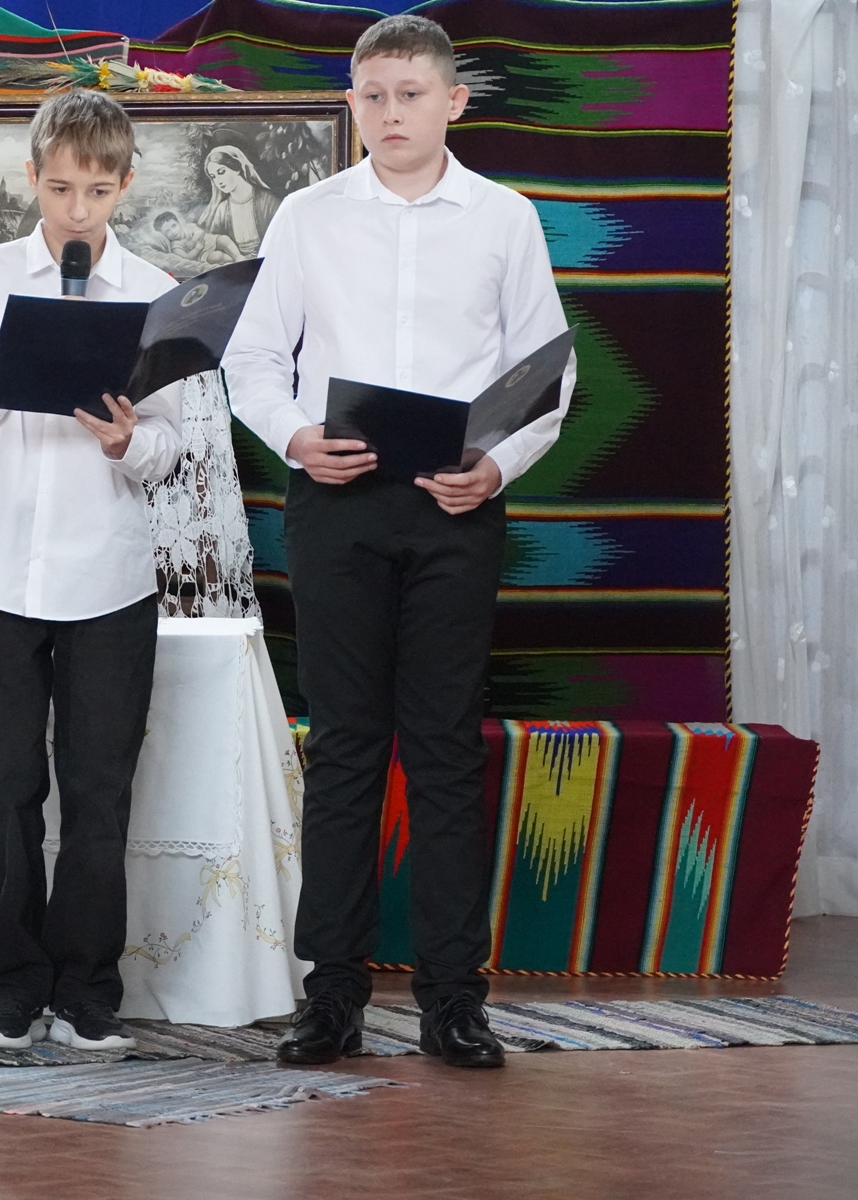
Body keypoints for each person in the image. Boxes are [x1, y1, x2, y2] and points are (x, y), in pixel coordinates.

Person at [221, 15, 575, 1069]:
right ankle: (329, 998)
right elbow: (251, 357)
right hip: (337, 505)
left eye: (411, 93)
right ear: (352, 103)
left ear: (453, 101)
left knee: (444, 750)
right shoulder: (308, 215)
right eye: (372, 94)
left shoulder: (505, 218)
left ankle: (454, 1002)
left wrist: (497, 467)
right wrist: (295, 437)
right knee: (343, 748)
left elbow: (547, 373)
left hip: (456, 507)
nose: (390, 112)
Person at [0, 89, 184, 1052]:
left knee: (98, 792)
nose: (78, 211)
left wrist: (128, 441)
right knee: (5, 787)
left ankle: (87, 992)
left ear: (126, 186)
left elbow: (173, 447)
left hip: (109, 577)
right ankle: (10, 988)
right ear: (32, 176)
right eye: (62, 188)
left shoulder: (153, 291)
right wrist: (17, 366)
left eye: (98, 191)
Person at [199, 143, 280, 258]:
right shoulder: (222, 209)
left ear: (237, 169)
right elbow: (214, 241)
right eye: (213, 176)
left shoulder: (267, 201)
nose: (218, 181)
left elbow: (281, 235)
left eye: (221, 172)